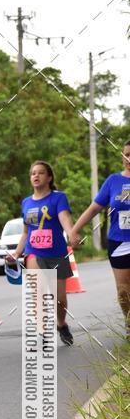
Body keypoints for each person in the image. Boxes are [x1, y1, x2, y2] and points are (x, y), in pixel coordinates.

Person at [6, 161, 79, 346]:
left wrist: (72, 234)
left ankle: (61, 324)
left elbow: (65, 220)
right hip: (33, 252)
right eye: (32, 173)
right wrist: (17, 253)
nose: (36, 176)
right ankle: (43, 330)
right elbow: (25, 232)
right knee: (38, 293)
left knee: (59, 299)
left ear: (49, 177)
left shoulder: (58, 198)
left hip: (56, 253)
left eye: (40, 173)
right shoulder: (26, 203)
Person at [70, 140, 130, 336]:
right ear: (122, 156)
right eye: (126, 154)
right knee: (123, 290)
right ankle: (129, 323)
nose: (129, 159)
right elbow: (95, 208)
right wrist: (74, 230)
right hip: (119, 241)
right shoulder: (113, 181)